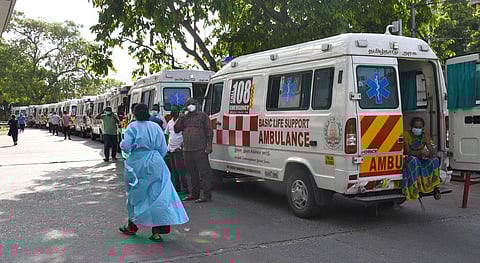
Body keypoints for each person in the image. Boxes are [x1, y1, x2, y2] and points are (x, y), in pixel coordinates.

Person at [119, 103, 189, 242]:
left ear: (135, 113)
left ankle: (132, 225)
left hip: (137, 163)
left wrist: (127, 147)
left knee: (135, 195)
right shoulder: (156, 127)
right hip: (156, 163)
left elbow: (126, 147)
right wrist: (155, 158)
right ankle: (157, 232)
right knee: (158, 195)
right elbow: (163, 148)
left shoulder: (132, 127)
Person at [174, 98, 214, 203]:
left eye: (193, 104)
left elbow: (209, 131)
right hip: (187, 150)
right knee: (192, 173)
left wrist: (209, 146)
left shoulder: (202, 116)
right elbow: (176, 129)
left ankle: (206, 195)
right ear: (186, 106)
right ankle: (194, 194)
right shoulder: (185, 118)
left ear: (196, 105)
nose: (191, 105)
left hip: (200, 149)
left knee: (204, 172)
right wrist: (180, 118)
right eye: (188, 104)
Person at [402, 117, 441, 201]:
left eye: (420, 127)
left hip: (422, 159)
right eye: (416, 127)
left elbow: (432, 153)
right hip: (410, 159)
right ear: (412, 127)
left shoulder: (425, 135)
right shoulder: (406, 134)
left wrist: (427, 141)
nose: (418, 129)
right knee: (414, 161)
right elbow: (408, 152)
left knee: (435, 160)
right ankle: (415, 190)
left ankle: (436, 188)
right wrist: (421, 152)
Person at [165, 105, 189, 195]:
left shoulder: (182, 122)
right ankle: (177, 188)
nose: (173, 112)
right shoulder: (170, 122)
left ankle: (185, 188)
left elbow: (185, 135)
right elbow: (167, 134)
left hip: (179, 149)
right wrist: (167, 146)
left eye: (175, 110)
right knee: (174, 170)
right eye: (172, 111)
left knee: (181, 170)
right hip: (171, 149)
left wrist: (181, 146)